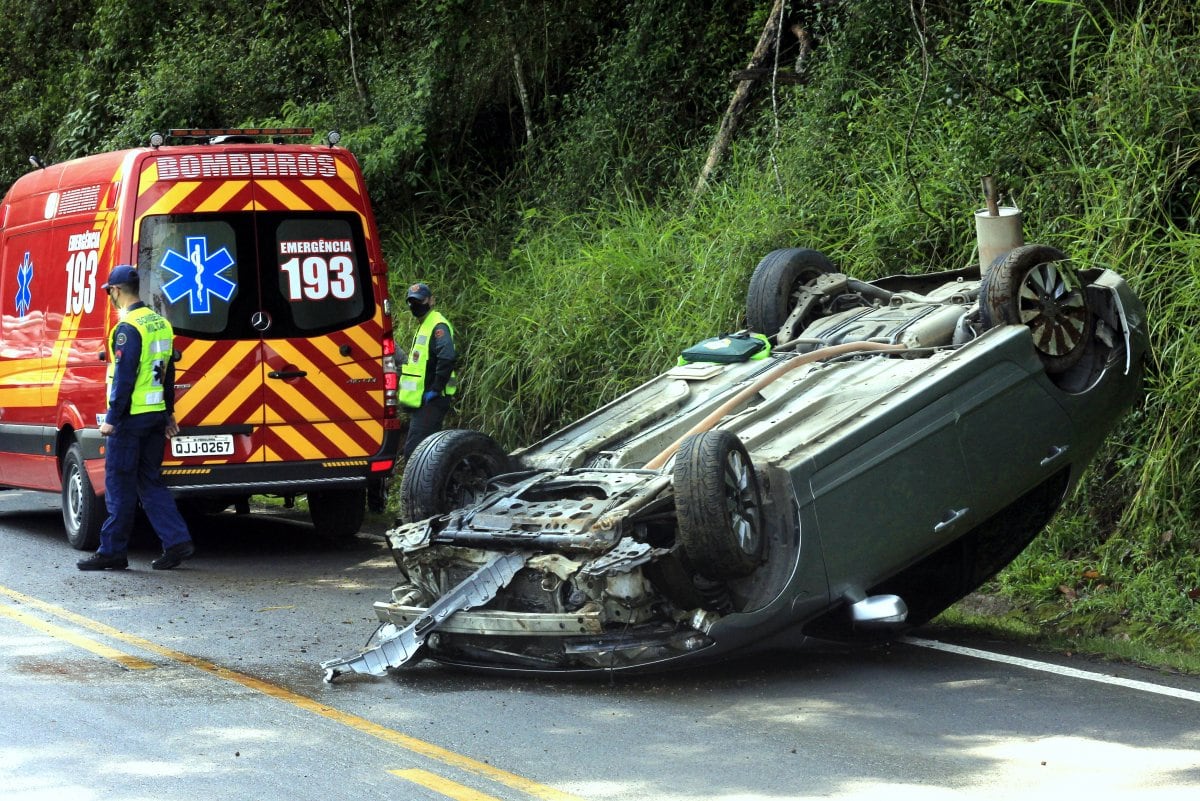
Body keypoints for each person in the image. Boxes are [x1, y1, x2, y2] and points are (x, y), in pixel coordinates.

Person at [77, 264, 195, 571]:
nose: (111, 298)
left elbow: (124, 378)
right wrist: (169, 413)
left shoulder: (128, 328)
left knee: (118, 485)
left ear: (115, 291)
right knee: (150, 482)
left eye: (110, 293)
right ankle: (177, 541)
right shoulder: (160, 324)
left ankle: (113, 551)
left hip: (130, 420)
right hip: (155, 417)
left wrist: (112, 418)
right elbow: (169, 375)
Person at [398, 282, 458, 460]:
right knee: (425, 451)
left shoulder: (438, 324)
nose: (415, 305)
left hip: (433, 398)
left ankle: (418, 487)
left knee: (414, 452)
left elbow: (447, 357)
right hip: (424, 399)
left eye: (420, 300)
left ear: (432, 300)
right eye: (412, 302)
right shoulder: (425, 324)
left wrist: (436, 388)